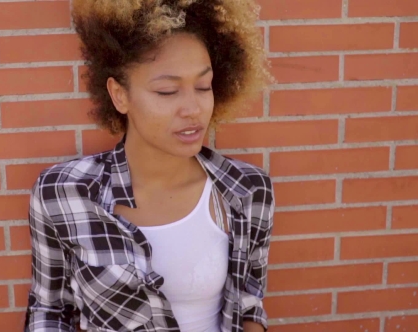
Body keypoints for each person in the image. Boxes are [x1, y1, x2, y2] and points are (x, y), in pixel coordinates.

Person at [24, 0, 275, 331]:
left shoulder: (246, 191)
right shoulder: (64, 194)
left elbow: (249, 303)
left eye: (203, 86)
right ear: (119, 95)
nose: (193, 109)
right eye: (167, 91)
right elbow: (49, 309)